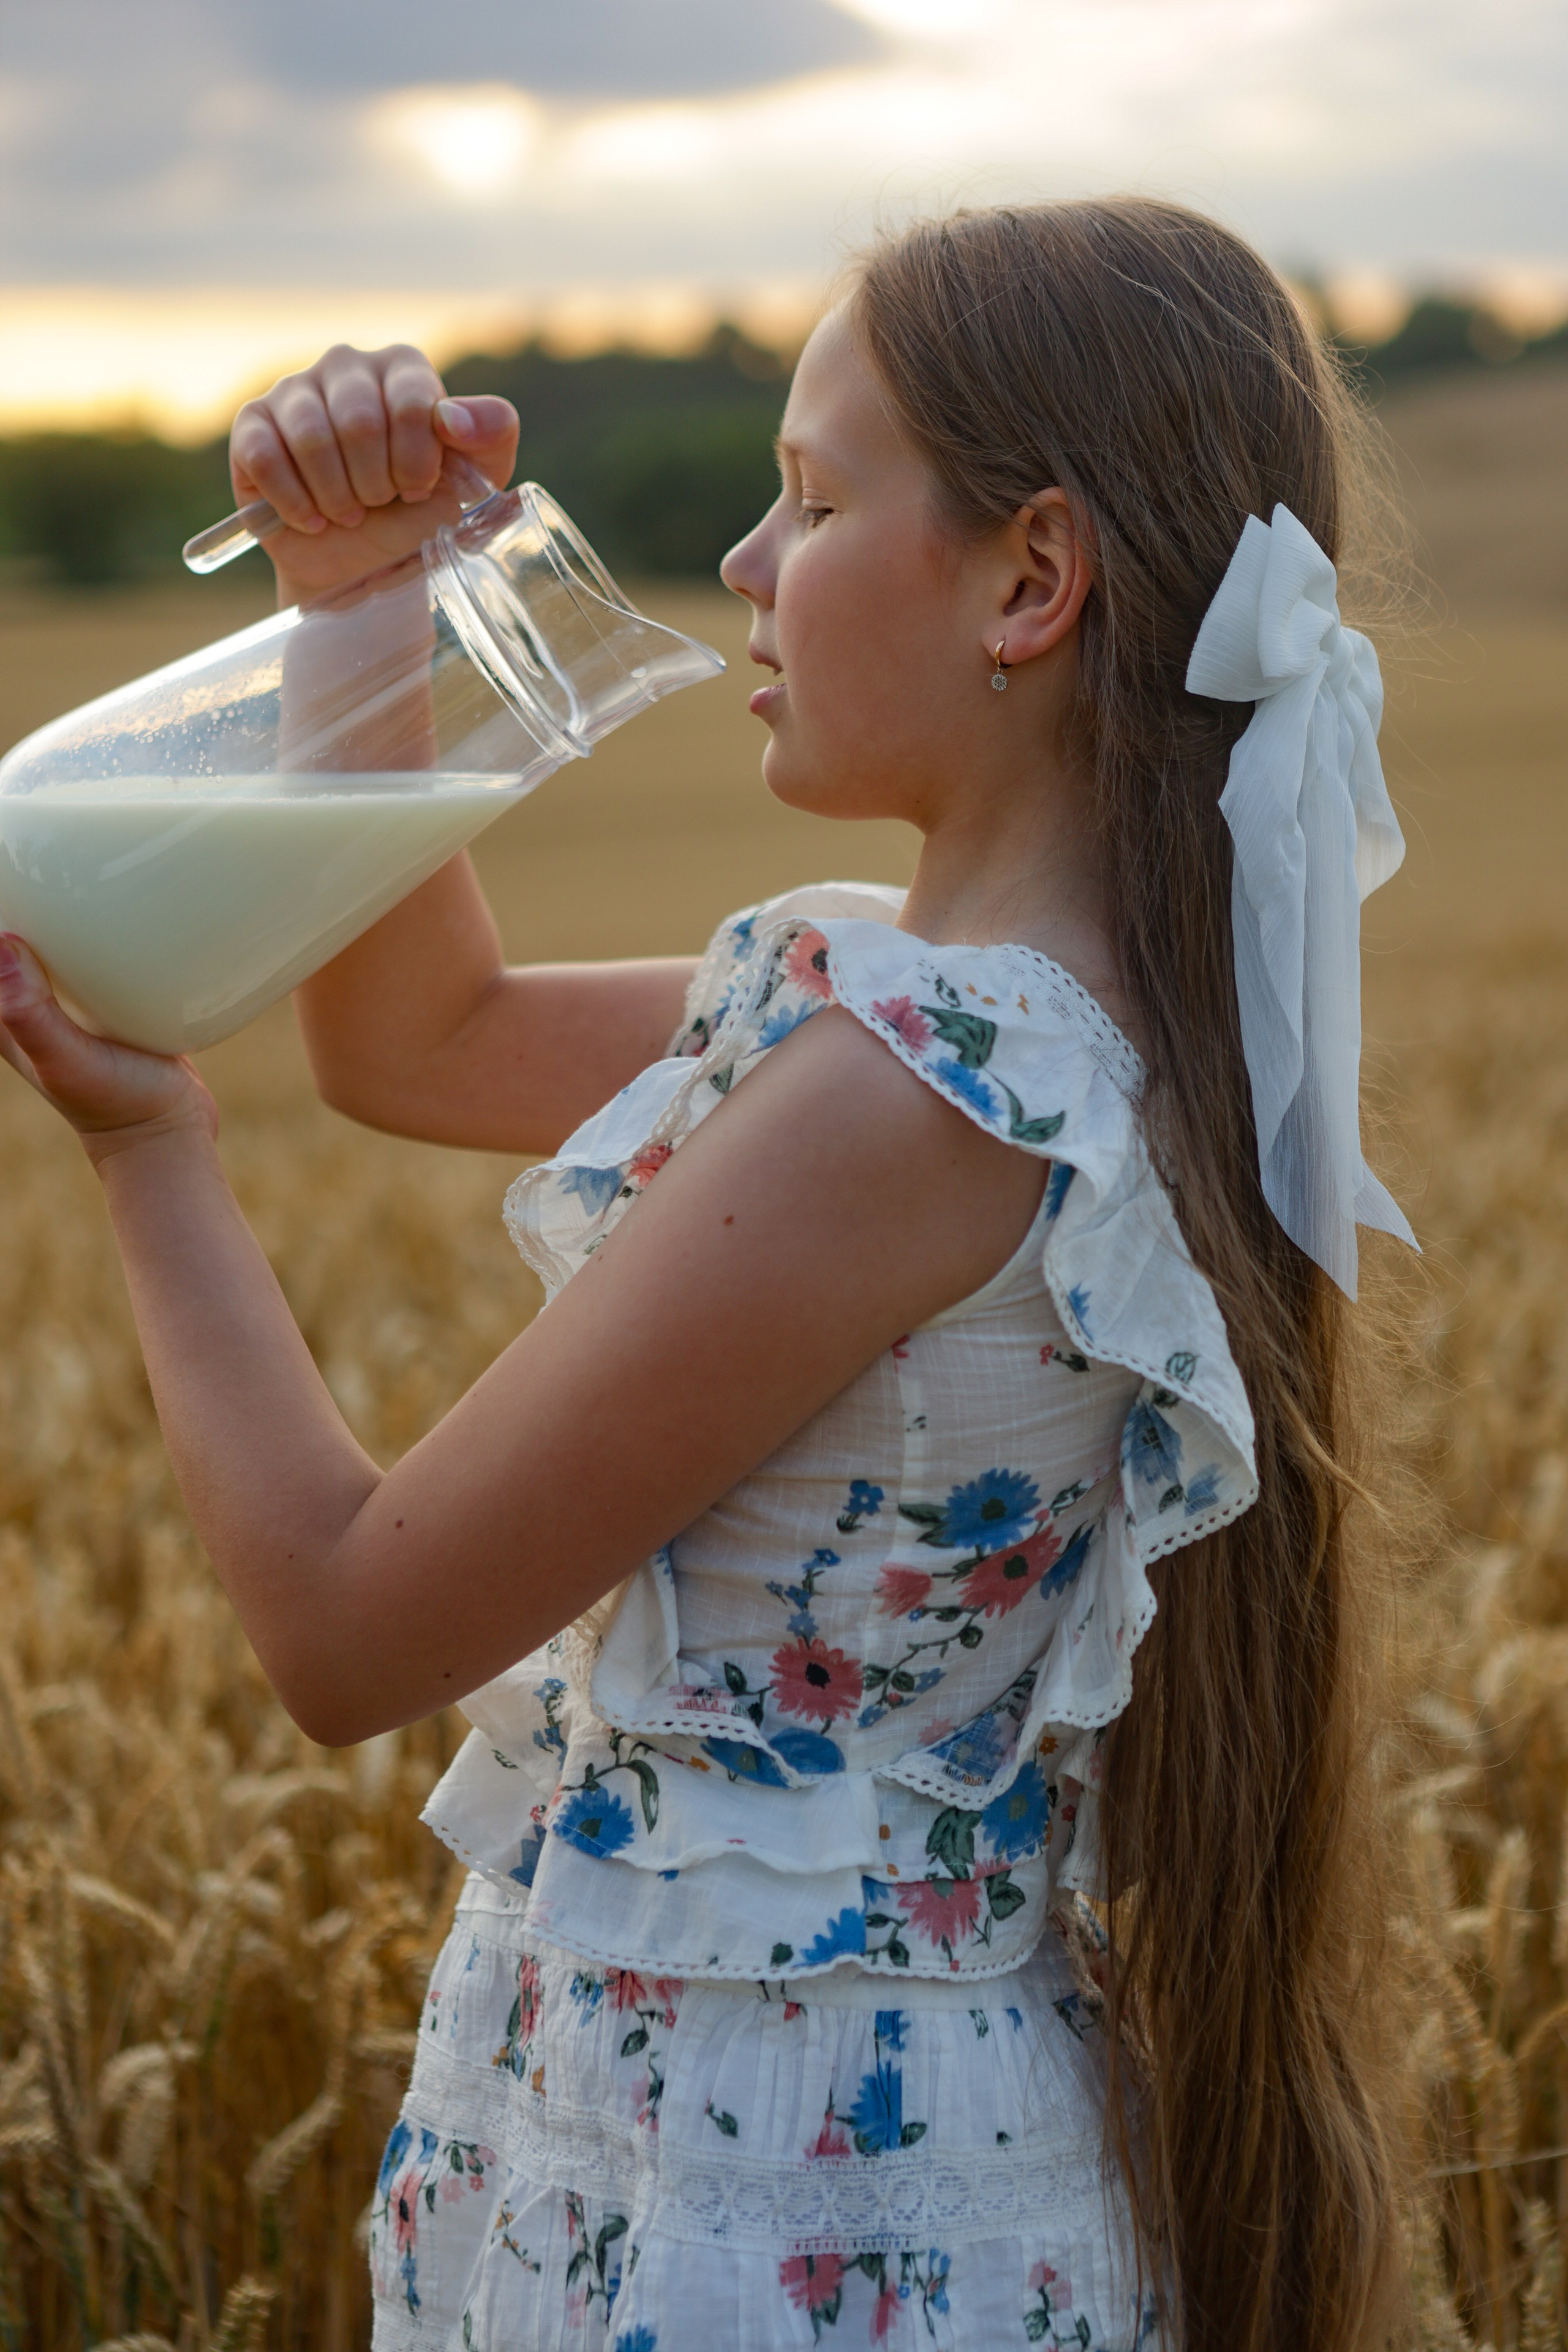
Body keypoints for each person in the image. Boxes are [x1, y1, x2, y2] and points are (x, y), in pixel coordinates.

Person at [0, 198, 1422, 2352]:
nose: (746, 565)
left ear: (1032, 580)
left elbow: (347, 1619)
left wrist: (147, 1157)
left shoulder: (919, 1089)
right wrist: (364, 603)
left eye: (817, 497)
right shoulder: (1006, 1011)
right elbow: (417, 1043)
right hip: (830, 2126)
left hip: (776, 2199)